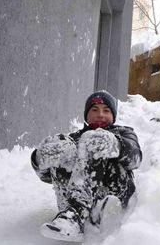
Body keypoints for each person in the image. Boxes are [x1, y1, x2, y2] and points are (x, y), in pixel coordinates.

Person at [31, 90, 142, 242]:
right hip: (72, 202)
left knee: (93, 139)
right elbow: (48, 178)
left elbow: (135, 159)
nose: (100, 114)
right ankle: (73, 216)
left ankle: (81, 214)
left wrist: (116, 145)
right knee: (62, 143)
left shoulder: (124, 133)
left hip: (114, 195)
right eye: (94, 110)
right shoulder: (73, 139)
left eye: (106, 110)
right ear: (86, 114)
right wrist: (39, 160)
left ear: (113, 115)